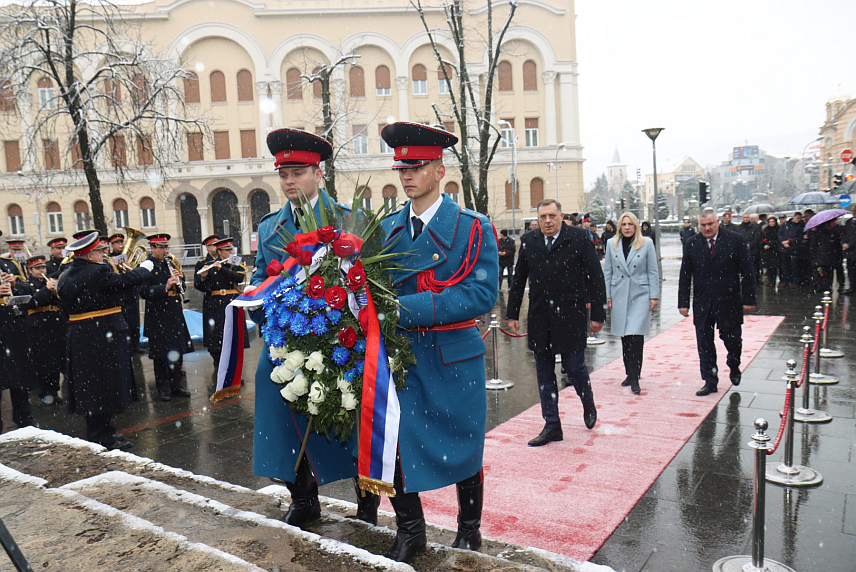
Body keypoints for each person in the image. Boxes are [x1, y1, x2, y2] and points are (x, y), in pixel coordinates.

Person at [248, 128, 380, 529]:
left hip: (345, 338)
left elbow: (373, 280)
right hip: (289, 340)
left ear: (318, 173)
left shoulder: (349, 219)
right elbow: (260, 280)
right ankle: (303, 497)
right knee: (277, 402)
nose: (290, 181)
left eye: (298, 172)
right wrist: (261, 307)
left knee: (353, 411)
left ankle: (368, 500)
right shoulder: (271, 228)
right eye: (284, 174)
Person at [379, 122, 499, 561]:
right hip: (402, 356)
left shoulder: (471, 227)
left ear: (439, 171)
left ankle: (469, 529)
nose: (406, 174)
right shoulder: (388, 228)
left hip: (452, 355)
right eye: (401, 167)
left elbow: (481, 293)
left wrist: (405, 309)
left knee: (464, 446)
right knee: (393, 442)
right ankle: (411, 531)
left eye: (416, 166)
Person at [507, 198, 605, 443]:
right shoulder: (529, 241)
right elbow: (518, 280)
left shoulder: (579, 238)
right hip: (540, 317)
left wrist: (599, 315)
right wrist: (512, 313)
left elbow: (595, 277)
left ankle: (588, 402)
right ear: (537, 219)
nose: (547, 221)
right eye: (542, 217)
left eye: (552, 216)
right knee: (544, 373)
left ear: (561, 216)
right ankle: (552, 425)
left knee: (574, 367)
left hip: (571, 316)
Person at [56, 231, 155, 449]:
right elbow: (123, 282)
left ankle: (102, 430)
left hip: (82, 335)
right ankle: (102, 435)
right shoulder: (97, 272)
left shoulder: (66, 274)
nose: (104, 254)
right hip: (102, 334)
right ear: (89, 256)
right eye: (100, 251)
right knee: (105, 384)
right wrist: (143, 270)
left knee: (91, 387)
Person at [678, 209, 756, 396]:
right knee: (704, 343)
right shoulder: (692, 243)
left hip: (729, 300)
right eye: (703, 225)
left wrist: (749, 299)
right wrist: (683, 302)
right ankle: (710, 380)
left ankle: (734, 364)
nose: (707, 228)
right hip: (703, 301)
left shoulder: (735, 240)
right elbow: (685, 274)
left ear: (717, 222)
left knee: (733, 339)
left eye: (710, 224)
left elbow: (747, 271)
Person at [603, 212, 659, 395]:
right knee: (625, 337)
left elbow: (653, 271)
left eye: (630, 224)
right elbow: (608, 271)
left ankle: (635, 377)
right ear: (620, 227)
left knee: (636, 337)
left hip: (640, 294)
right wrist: (608, 294)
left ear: (635, 226)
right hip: (619, 293)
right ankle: (629, 372)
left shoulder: (646, 243)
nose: (627, 227)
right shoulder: (612, 244)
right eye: (624, 224)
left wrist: (654, 295)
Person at [139, 233, 193, 401]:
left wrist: (179, 281)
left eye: (166, 247)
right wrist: (165, 287)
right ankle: (163, 387)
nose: (165, 251)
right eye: (161, 247)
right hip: (157, 315)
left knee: (177, 351)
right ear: (152, 248)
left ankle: (177, 384)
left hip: (174, 313)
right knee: (161, 355)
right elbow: (143, 292)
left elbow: (181, 284)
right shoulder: (147, 266)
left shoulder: (170, 263)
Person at [18, 256, 66, 405]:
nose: (42, 271)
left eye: (43, 268)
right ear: (30, 270)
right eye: (38, 268)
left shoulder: (50, 281)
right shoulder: (25, 285)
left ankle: (55, 390)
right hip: (39, 327)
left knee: (58, 359)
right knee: (44, 362)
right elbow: (30, 303)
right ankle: (46, 393)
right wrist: (46, 290)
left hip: (56, 324)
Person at [0, 237, 35, 432]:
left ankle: (24, 419)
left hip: (11, 327)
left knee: (19, 375)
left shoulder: (7, 265)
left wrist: (13, 285)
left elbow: (28, 288)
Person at [197, 237, 248, 367]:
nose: (231, 252)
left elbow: (239, 277)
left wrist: (222, 269)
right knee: (217, 338)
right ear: (220, 252)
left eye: (231, 249)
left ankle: (234, 369)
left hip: (232, 302)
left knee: (234, 337)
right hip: (215, 305)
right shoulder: (207, 264)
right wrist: (203, 278)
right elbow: (201, 287)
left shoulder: (234, 263)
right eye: (228, 250)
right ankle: (219, 364)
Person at [193, 234, 221, 363]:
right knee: (213, 335)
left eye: (217, 244)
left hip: (226, 302)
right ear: (207, 248)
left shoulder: (225, 260)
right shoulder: (201, 263)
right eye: (213, 245)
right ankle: (216, 358)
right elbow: (198, 285)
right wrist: (203, 277)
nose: (216, 247)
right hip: (212, 302)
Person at [809, 217, 845, 293]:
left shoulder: (836, 230)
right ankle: (825, 286)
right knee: (826, 271)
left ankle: (827, 286)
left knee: (829, 271)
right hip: (826, 254)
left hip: (831, 254)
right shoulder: (821, 231)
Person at [778, 212, 803, 288]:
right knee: (784, 265)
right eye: (797, 218)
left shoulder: (800, 226)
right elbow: (780, 234)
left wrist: (790, 241)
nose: (798, 220)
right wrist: (783, 241)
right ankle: (785, 280)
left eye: (799, 219)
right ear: (794, 217)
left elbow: (799, 237)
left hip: (794, 248)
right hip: (784, 248)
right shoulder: (785, 224)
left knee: (794, 265)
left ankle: (794, 281)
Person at [736, 213, 761, 281]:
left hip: (753, 250)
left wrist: (751, 244)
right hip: (743, 250)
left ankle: (756, 279)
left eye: (747, 217)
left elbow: (757, 237)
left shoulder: (755, 227)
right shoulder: (738, 227)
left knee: (754, 266)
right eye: (744, 217)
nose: (746, 219)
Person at [760, 216, 782, 287]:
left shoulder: (778, 229)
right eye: (770, 222)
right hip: (767, 251)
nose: (771, 223)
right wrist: (764, 244)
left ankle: (773, 281)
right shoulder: (766, 229)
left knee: (774, 267)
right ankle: (769, 281)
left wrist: (770, 244)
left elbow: (778, 239)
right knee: (768, 267)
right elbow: (763, 238)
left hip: (775, 250)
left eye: (773, 222)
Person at [840, 205, 856, 294]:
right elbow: (844, 234)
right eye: (853, 211)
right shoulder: (849, 222)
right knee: (851, 270)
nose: (853, 213)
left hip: (853, 249)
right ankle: (852, 287)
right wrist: (843, 243)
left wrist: (849, 244)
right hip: (849, 253)